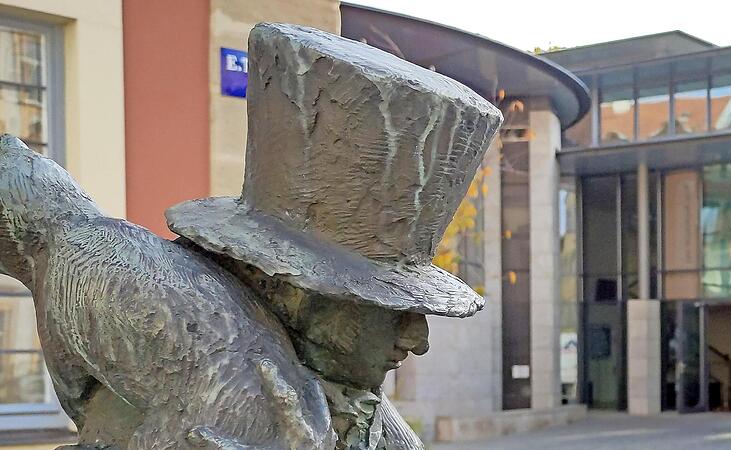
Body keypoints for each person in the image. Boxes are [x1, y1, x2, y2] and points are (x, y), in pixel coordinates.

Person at [167, 23, 502, 449]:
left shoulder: (374, 425)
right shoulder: (187, 386)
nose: (418, 342)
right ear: (292, 291)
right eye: (391, 309)